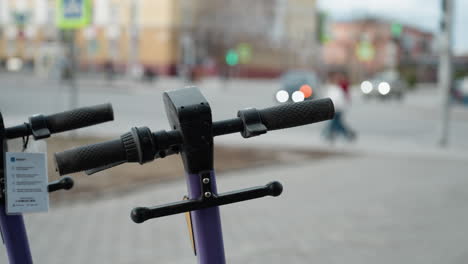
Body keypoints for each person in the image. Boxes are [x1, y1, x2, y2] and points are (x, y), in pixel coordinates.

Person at [323, 70, 356, 142]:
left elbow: (335, 100)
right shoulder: (335, 88)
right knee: (336, 123)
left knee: (336, 123)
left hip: (336, 109)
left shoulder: (335, 89)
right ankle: (330, 135)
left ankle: (329, 134)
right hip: (337, 108)